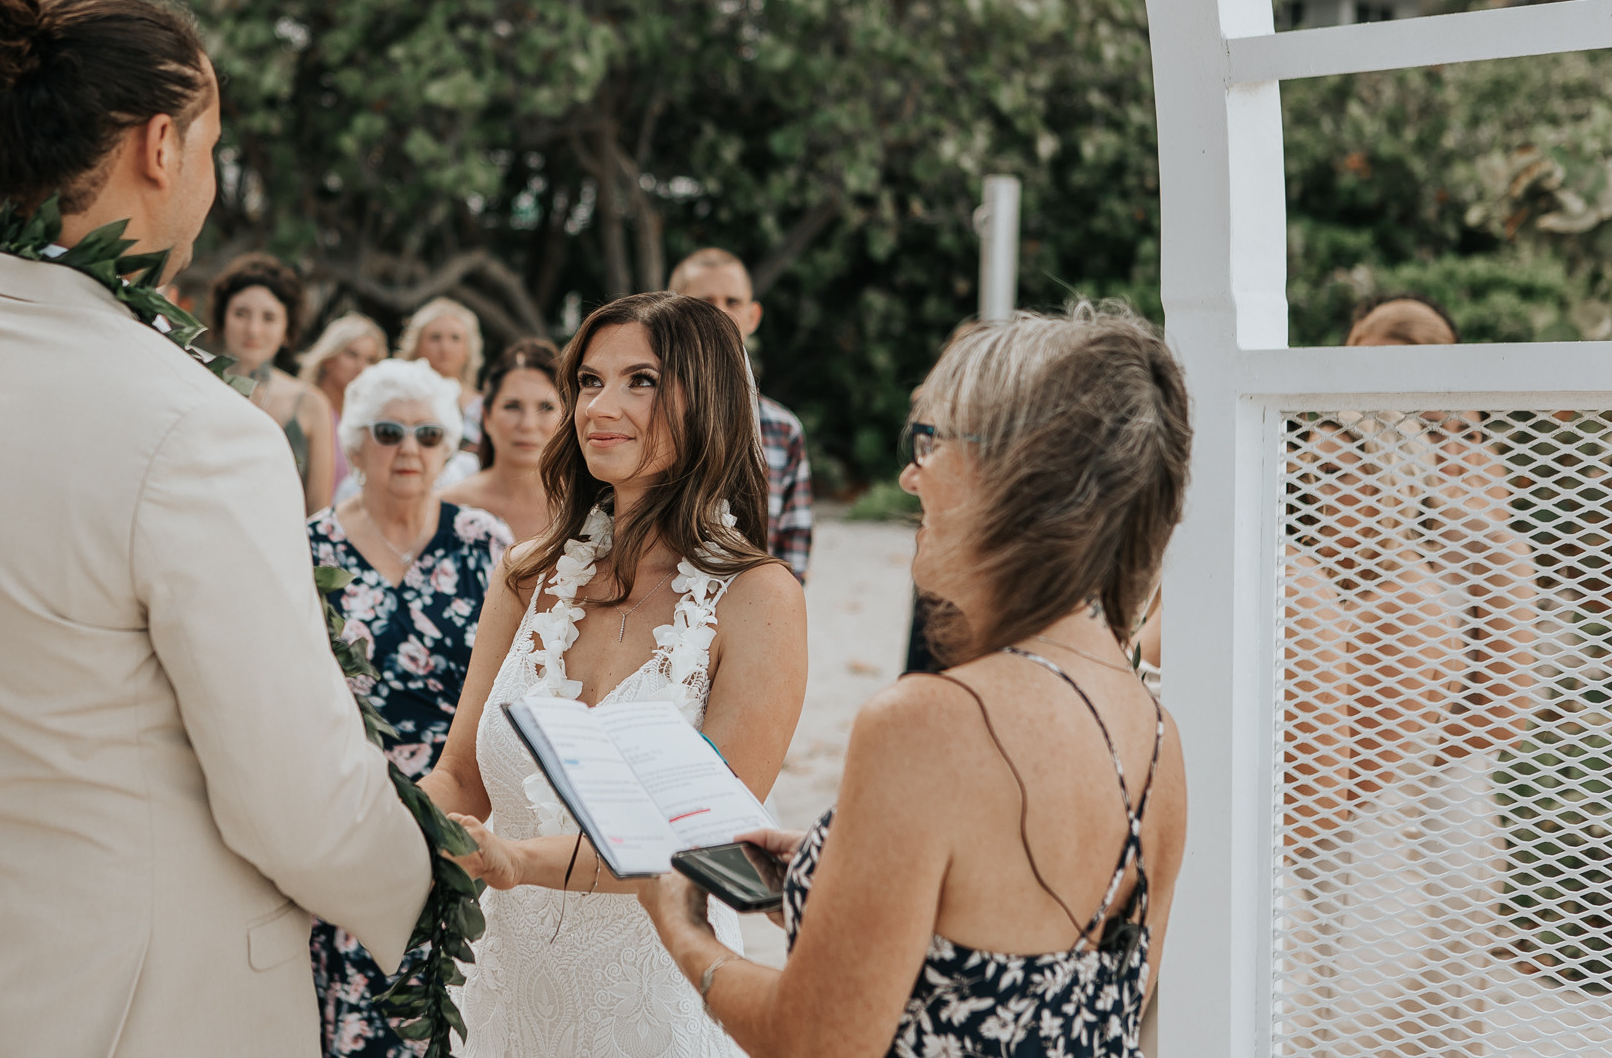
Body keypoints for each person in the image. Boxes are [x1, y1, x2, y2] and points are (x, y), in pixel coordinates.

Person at [0, 0, 430, 1057]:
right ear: (159, 145)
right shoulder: (195, 430)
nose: (210, 180)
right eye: (210, 146)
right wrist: (448, 882)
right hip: (156, 1003)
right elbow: (292, 797)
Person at [634, 303, 1191, 1058]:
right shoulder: (1154, 728)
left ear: (1014, 474)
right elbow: (1032, 967)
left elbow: (813, 1041)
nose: (907, 474)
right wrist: (839, 868)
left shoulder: (928, 721)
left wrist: (684, 927)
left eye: (928, 442)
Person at [419, 291, 809, 1057]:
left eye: (641, 380)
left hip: (654, 1003)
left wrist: (516, 860)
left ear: (710, 399)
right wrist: (384, 819)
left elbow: (702, 842)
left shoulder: (761, 601)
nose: (601, 404)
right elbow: (461, 774)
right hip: (504, 990)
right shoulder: (525, 575)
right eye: (590, 380)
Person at [1276, 294, 1541, 1056]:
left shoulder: (1474, 506)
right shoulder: (1338, 480)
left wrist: (1394, 747)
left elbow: (1503, 705)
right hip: (1353, 787)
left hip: (1436, 792)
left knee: (1439, 1020)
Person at [307, 357, 513, 1057]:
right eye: (389, 431)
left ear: (450, 448)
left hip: (465, 808)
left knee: (457, 1001)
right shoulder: (309, 548)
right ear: (356, 444)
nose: (409, 449)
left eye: (429, 435)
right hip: (347, 805)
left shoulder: (487, 545)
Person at [670, 249, 812, 583]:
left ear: (752, 316)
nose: (719, 313)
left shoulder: (783, 429)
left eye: (732, 301)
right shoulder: (647, 417)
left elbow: (794, 544)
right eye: (704, 301)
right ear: (671, 313)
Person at [210, 254, 335, 514]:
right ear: (222, 320)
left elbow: (318, 511)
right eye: (241, 314)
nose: (253, 330)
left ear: (287, 330)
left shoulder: (311, 404)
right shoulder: (195, 384)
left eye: (269, 317)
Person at [441, 338, 562, 544]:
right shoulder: (447, 508)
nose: (528, 424)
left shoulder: (594, 510)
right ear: (486, 417)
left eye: (545, 407)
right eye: (512, 406)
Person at [300, 312, 389, 504]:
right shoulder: (303, 408)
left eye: (370, 360)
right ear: (329, 358)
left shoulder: (371, 421)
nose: (361, 367)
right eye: (352, 354)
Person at [394, 296, 483, 445]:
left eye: (455, 338)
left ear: (468, 348)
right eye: (435, 338)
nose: (445, 348)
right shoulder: (398, 400)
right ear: (417, 345)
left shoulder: (486, 407)